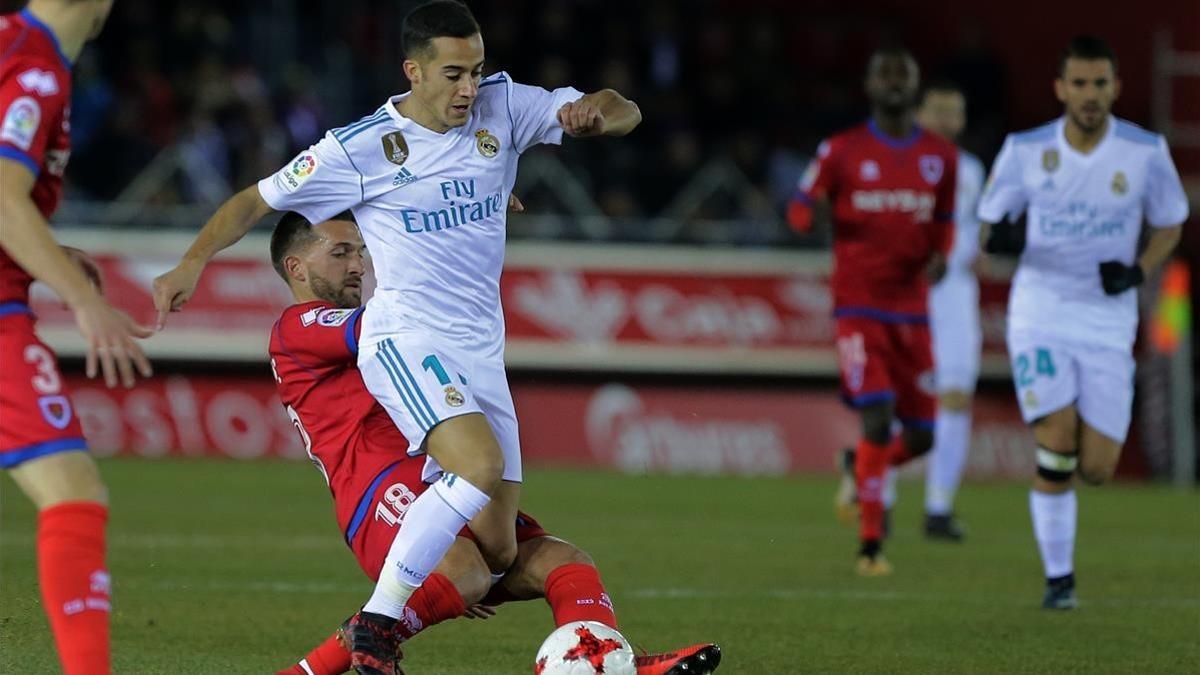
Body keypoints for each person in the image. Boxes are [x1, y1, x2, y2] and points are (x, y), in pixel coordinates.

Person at [151, 1, 641, 667]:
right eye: (451, 75)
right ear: (413, 70)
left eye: (475, 71)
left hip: (480, 350)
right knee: (479, 465)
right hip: (406, 333)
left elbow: (621, 108)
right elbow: (254, 201)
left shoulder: (506, 106)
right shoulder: (360, 147)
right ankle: (377, 626)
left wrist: (595, 115)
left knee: (498, 549)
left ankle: (598, 653)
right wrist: (192, 261)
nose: (468, 89)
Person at [267, 212, 719, 675]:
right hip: (378, 490)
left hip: (441, 476)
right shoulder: (297, 327)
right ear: (296, 268)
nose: (358, 265)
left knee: (564, 561)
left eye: (361, 252)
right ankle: (323, 661)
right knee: (467, 574)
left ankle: (606, 662)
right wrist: (458, 228)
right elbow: (385, 324)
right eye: (340, 253)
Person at [978, 35, 1187, 609]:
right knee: (1058, 440)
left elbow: (1170, 223)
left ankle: (1061, 525)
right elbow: (989, 226)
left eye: (1100, 84)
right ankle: (1059, 580)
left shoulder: (1145, 151)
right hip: (1039, 311)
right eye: (1080, 84)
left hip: (1106, 319)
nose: (1090, 95)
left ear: (1116, 87)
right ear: (1060, 89)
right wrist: (1005, 237)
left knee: (1095, 468)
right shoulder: (1025, 149)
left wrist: (1139, 270)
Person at [0, 3, 154, 673]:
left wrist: (47, 251)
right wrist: (84, 298)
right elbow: (3, 198)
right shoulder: (34, 64)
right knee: (75, 494)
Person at [787, 46, 958, 576]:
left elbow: (945, 222)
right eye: (884, 74)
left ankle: (858, 470)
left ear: (915, 84)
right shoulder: (841, 150)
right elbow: (797, 210)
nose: (893, 83)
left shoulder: (940, 156)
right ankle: (870, 546)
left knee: (925, 436)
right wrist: (811, 218)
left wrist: (940, 259)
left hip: (914, 313)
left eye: (902, 74)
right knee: (878, 418)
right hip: (859, 308)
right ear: (869, 85)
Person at [914, 79, 986, 541]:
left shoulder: (972, 169)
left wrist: (977, 249)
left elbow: (977, 228)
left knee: (956, 396)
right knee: (900, 398)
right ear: (920, 113)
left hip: (956, 293)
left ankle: (938, 507)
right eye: (938, 110)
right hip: (907, 291)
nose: (946, 121)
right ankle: (880, 501)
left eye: (954, 112)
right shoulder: (895, 160)